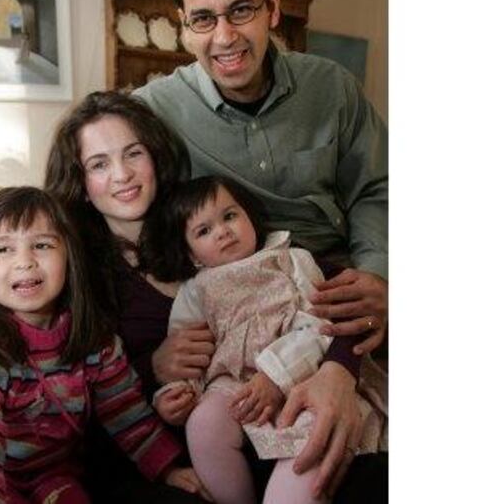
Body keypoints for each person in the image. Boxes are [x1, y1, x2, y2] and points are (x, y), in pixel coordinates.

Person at [45, 91, 383, 503]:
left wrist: (338, 370)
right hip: (187, 449)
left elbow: (337, 296)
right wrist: (152, 369)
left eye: (133, 154)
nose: (122, 175)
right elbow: (69, 399)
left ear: (155, 157)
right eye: (99, 164)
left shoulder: (210, 216)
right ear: (80, 183)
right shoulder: (77, 270)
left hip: (295, 402)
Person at [141, 175, 387, 504]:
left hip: (302, 375)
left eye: (229, 216)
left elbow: (321, 324)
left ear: (250, 218)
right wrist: (177, 392)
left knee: (310, 439)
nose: (223, 231)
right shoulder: (195, 290)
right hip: (232, 385)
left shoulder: (291, 260)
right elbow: (186, 349)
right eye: (204, 230)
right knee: (203, 424)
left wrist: (275, 375)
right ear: (193, 256)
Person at [0, 186, 207, 503]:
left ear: (69, 257)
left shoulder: (96, 341)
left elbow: (128, 414)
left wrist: (168, 470)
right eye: (3, 250)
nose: (25, 262)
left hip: (56, 474)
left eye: (42, 245)